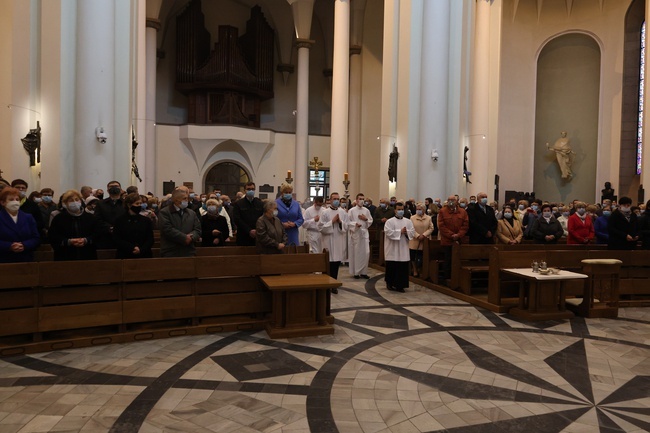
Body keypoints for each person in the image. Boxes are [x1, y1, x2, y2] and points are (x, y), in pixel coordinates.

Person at [49, 190, 105, 261]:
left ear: (81, 202)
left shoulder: (90, 218)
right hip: (65, 256)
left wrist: (86, 240)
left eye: (76, 199)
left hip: (88, 254)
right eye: (71, 200)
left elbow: (98, 234)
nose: (74, 202)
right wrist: (69, 241)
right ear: (65, 204)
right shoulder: (58, 219)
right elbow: (53, 237)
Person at [0, 187, 40, 262]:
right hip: (4, 258)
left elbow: (36, 237)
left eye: (17, 199)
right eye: (11, 200)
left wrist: (24, 245)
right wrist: (9, 246)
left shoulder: (28, 217)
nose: (15, 202)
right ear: (3, 202)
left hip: (25, 258)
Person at [158, 189, 201, 257]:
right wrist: (184, 238)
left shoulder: (191, 213)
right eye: (184, 198)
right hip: (170, 251)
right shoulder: (165, 212)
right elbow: (167, 229)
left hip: (189, 251)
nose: (187, 200)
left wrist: (191, 237)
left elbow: (197, 229)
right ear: (176, 200)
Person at [384, 202, 416, 293]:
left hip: (403, 247)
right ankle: (390, 283)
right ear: (395, 210)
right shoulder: (389, 221)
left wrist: (406, 233)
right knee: (392, 266)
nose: (401, 211)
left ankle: (400, 285)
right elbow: (388, 232)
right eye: (399, 209)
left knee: (402, 267)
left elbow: (412, 232)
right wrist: (400, 232)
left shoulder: (408, 221)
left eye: (402, 209)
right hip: (392, 248)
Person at [318, 192, 348, 287]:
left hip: (339, 240)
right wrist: (332, 221)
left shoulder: (343, 212)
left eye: (337, 199)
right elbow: (320, 227)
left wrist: (340, 222)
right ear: (330, 200)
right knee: (328, 262)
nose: (336, 201)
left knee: (336, 262)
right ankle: (327, 282)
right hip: (328, 240)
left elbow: (346, 226)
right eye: (334, 199)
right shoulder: (325, 212)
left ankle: (334, 283)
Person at [112, 192, 154, 259]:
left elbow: (150, 239)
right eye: (137, 203)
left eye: (140, 203)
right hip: (125, 254)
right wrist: (132, 248)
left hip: (144, 254)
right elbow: (117, 239)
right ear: (129, 205)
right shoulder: (120, 220)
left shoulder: (146, 220)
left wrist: (141, 249)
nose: (139, 205)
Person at [437, 195, 469, 281]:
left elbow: (465, 225)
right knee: (448, 260)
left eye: (453, 200)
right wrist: (451, 235)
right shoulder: (442, 211)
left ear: (456, 201)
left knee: (457, 259)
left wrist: (458, 235)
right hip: (447, 240)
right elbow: (441, 226)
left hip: (459, 240)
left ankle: (457, 277)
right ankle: (447, 278)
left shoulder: (462, 212)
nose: (451, 201)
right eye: (449, 200)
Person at [94, 180, 126, 248]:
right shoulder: (100, 203)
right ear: (108, 190)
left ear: (121, 189)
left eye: (116, 186)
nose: (114, 188)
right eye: (111, 187)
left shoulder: (126, 203)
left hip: (123, 235)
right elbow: (97, 219)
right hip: (105, 236)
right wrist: (109, 227)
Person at [348, 193, 373, 279]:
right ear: (356, 199)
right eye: (360, 198)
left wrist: (365, 219)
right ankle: (356, 272)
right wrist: (355, 224)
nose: (362, 200)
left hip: (364, 233)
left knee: (366, 252)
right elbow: (348, 222)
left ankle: (364, 272)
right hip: (356, 233)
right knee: (357, 252)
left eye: (363, 199)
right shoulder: (351, 210)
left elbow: (370, 220)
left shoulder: (366, 210)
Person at [233, 182, 264, 246]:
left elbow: (263, 218)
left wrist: (257, 230)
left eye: (252, 189)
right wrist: (249, 230)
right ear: (244, 190)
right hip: (243, 235)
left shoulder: (260, 203)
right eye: (248, 189)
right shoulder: (238, 204)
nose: (251, 191)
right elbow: (237, 219)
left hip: (257, 235)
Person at [409, 202, 433, 277]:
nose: (418, 210)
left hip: (425, 240)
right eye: (417, 209)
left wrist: (424, 235)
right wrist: (418, 236)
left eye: (420, 209)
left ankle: (421, 269)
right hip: (415, 240)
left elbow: (431, 228)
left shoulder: (428, 218)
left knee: (422, 256)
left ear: (424, 210)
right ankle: (415, 269)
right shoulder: (412, 218)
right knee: (413, 256)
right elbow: (411, 228)